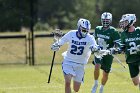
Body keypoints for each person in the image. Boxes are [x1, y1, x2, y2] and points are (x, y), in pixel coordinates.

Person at [51, 18, 100, 93]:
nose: (85, 32)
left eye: (87, 30)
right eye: (84, 29)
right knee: (67, 82)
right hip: (68, 61)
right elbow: (61, 41)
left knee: (76, 89)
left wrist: (95, 48)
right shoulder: (71, 33)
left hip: (80, 64)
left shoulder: (90, 38)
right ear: (79, 27)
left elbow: (95, 46)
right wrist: (56, 45)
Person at [91, 12, 121, 93]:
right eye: (104, 20)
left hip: (108, 54)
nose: (105, 22)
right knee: (97, 65)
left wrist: (114, 49)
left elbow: (118, 43)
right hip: (99, 52)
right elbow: (92, 39)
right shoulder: (98, 29)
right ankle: (95, 83)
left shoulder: (113, 31)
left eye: (107, 20)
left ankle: (102, 87)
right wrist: (93, 47)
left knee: (105, 73)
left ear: (110, 21)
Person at [119, 14, 140, 88]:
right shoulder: (123, 34)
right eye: (123, 22)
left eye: (126, 22)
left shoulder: (139, 31)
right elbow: (122, 47)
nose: (124, 24)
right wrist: (116, 50)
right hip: (131, 60)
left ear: (131, 21)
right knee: (136, 82)